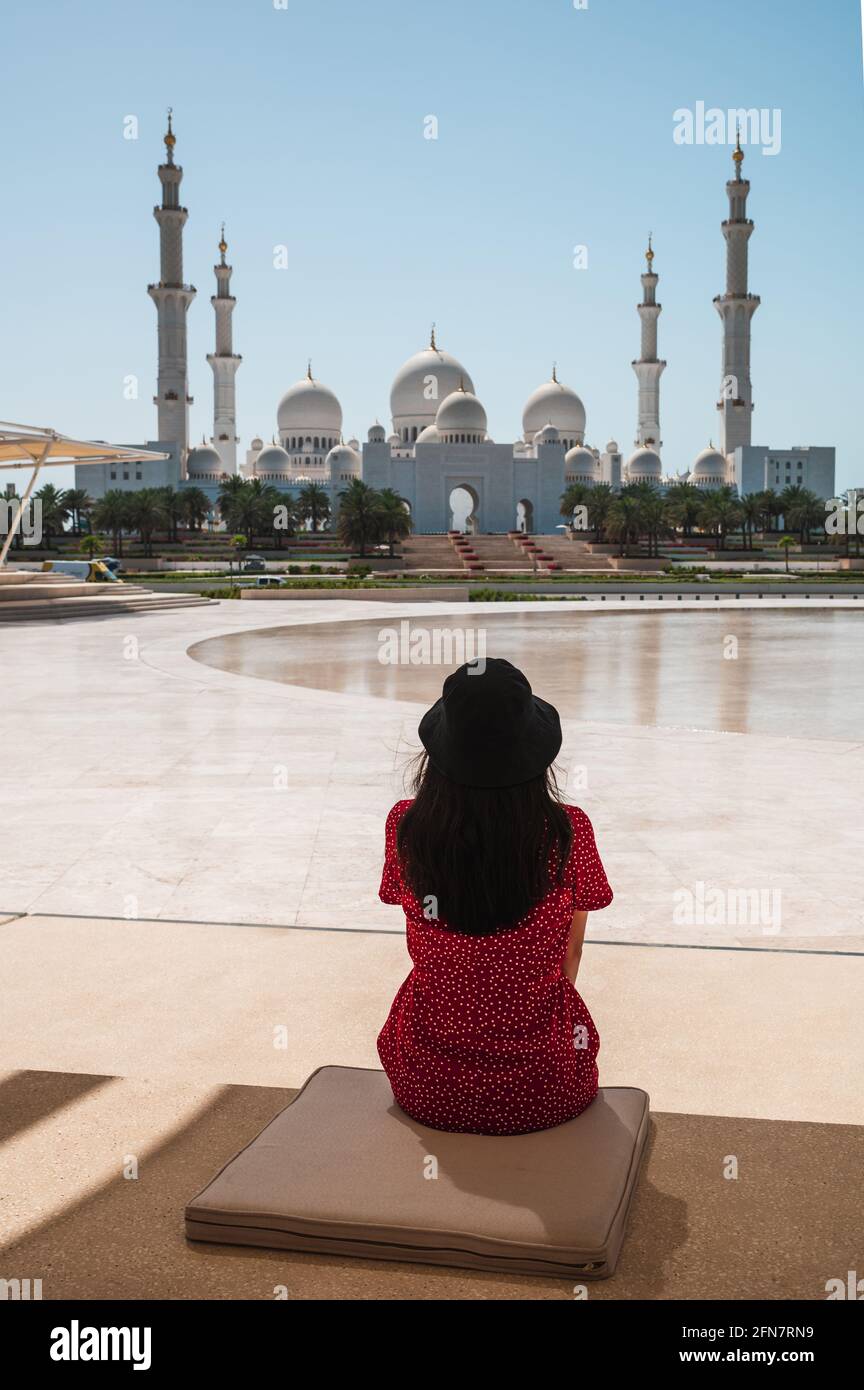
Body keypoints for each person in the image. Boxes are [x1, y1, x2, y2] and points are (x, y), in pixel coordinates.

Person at [377, 657, 613, 1136]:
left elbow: (419, 939)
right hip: (546, 1089)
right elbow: (571, 951)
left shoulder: (406, 827)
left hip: (427, 1085)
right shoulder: (567, 834)